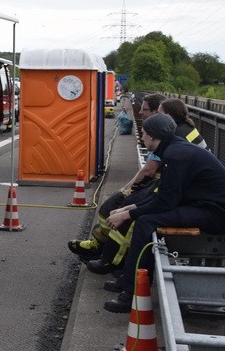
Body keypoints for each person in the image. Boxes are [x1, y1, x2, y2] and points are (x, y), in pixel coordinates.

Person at [102, 113, 225, 312]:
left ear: (154, 136)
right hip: (203, 207)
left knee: (145, 222)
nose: (142, 136)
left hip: (215, 214)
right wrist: (129, 208)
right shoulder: (175, 149)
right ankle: (128, 282)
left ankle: (133, 295)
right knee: (143, 217)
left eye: (145, 133)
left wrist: (128, 215)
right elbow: (164, 196)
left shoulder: (175, 155)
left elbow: (166, 202)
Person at [67, 92, 166, 266]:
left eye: (144, 109)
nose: (140, 113)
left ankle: (111, 259)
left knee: (120, 208)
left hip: (159, 187)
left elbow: (148, 170)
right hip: (157, 185)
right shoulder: (164, 132)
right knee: (111, 205)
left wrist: (126, 190)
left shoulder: (163, 135)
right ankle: (100, 245)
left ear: (156, 112)